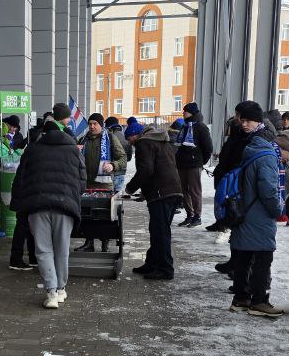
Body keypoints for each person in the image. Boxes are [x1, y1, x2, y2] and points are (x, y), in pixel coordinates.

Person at [11, 119, 84, 307]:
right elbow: (82, 181)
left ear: (44, 133)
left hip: (37, 205)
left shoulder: (32, 150)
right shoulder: (73, 150)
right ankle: (61, 289)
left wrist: (19, 204)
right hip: (65, 206)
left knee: (43, 250)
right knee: (62, 249)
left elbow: (20, 179)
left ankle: (51, 293)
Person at [227, 110, 285, 316]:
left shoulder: (249, 150)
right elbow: (268, 190)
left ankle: (240, 298)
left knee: (243, 256)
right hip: (259, 215)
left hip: (244, 212)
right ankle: (259, 301)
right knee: (262, 257)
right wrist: (277, 210)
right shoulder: (267, 156)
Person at [125, 120, 182, 280]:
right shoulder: (160, 140)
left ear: (135, 135)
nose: (130, 143)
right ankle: (152, 263)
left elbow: (146, 170)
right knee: (158, 230)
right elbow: (160, 167)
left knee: (160, 232)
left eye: (129, 139)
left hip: (161, 193)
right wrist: (145, 192)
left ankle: (165, 269)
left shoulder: (144, 142)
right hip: (172, 190)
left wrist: (130, 188)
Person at [75, 114, 126, 252]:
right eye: (90, 124)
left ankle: (105, 244)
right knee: (86, 215)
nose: (92, 126)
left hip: (104, 184)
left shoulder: (110, 138)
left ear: (101, 125)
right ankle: (89, 243)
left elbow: (122, 158)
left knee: (104, 216)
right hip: (86, 184)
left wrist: (113, 165)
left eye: (95, 124)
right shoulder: (83, 139)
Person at [174, 102, 213, 227]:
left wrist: (201, 161)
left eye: (185, 111)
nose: (183, 113)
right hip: (182, 164)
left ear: (192, 113)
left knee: (194, 190)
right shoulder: (184, 127)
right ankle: (189, 215)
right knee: (183, 190)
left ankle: (197, 216)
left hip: (194, 164)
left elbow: (208, 148)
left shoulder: (201, 127)